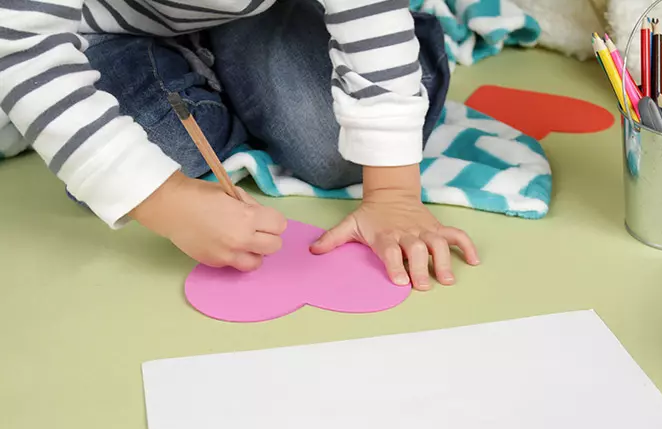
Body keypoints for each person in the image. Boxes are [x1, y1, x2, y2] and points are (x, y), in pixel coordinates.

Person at [0, 0, 479, 290]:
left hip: (256, 15)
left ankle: (217, 69)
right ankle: (200, 70)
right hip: (105, 26)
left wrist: (394, 194)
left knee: (340, 156)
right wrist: (166, 200)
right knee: (161, 154)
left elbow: (369, 14)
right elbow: (20, 46)